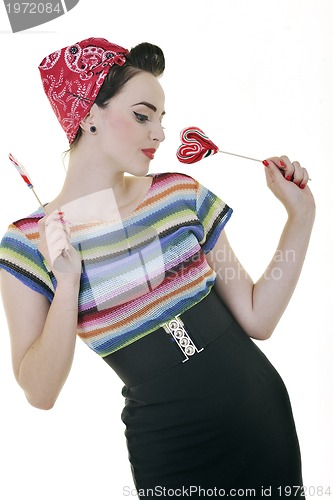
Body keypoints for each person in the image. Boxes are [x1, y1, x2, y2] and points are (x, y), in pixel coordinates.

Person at [0, 37, 315, 498]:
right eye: (143, 115)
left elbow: (257, 317)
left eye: (161, 119)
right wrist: (67, 285)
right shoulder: (28, 241)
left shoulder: (178, 193)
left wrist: (301, 217)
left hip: (260, 418)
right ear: (88, 115)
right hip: (169, 448)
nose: (160, 134)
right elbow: (40, 393)